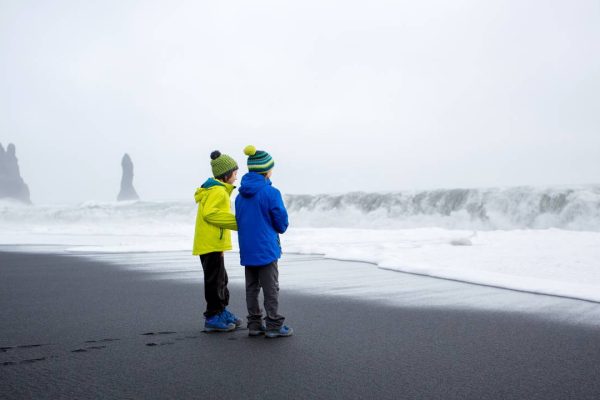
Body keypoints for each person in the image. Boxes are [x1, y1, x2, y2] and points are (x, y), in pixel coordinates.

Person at [235, 145, 293, 338]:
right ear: (266, 170)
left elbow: (240, 220)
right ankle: (274, 324)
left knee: (251, 287)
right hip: (266, 248)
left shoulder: (239, 196)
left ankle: (254, 323)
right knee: (270, 287)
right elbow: (281, 222)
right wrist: (281, 227)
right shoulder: (271, 192)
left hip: (248, 248)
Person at [193, 150, 243, 332]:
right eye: (235, 173)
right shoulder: (218, 192)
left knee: (221, 278)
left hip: (211, 242)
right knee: (215, 280)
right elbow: (211, 214)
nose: (236, 177)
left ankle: (222, 311)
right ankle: (213, 317)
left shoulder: (215, 190)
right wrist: (239, 223)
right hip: (210, 242)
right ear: (226, 174)